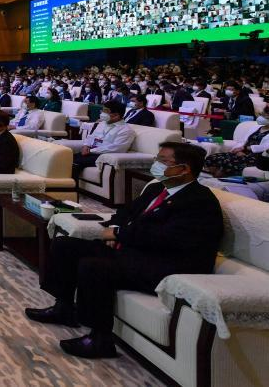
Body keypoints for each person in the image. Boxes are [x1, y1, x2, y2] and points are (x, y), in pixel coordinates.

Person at [26, 142, 222, 359]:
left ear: (184, 169)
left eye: (163, 161)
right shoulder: (158, 188)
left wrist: (120, 234)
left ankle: (100, 339)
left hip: (165, 265)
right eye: (157, 159)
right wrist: (114, 228)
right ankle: (63, 308)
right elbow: (125, 212)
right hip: (135, 251)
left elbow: (168, 238)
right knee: (65, 245)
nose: (156, 165)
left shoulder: (199, 201)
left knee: (94, 267)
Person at [70, 101, 136, 176]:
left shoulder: (126, 130)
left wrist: (91, 151)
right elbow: (91, 136)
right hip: (90, 152)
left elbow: (116, 148)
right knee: (67, 157)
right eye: (103, 110)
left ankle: (69, 182)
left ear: (116, 115)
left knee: (75, 163)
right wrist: (86, 145)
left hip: (102, 156)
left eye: (106, 111)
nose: (102, 113)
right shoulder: (102, 123)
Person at [204, 113, 269, 177]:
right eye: (262, 115)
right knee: (212, 157)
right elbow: (243, 141)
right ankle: (210, 176)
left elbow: (264, 147)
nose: (261, 118)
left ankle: (219, 177)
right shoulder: (256, 128)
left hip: (255, 157)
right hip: (242, 151)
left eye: (266, 117)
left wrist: (245, 149)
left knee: (227, 162)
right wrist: (239, 150)